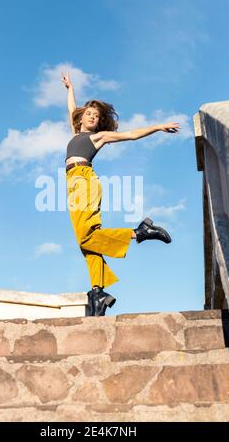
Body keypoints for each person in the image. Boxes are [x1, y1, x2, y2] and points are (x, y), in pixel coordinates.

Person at [61, 72, 180, 317]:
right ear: (81, 118)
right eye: (89, 114)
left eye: (97, 116)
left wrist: (158, 126)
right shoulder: (75, 133)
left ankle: (139, 233)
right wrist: (70, 88)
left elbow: (131, 135)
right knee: (87, 240)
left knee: (86, 237)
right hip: (71, 183)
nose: (93, 117)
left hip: (84, 179)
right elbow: (72, 108)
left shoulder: (98, 137)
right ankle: (97, 291)